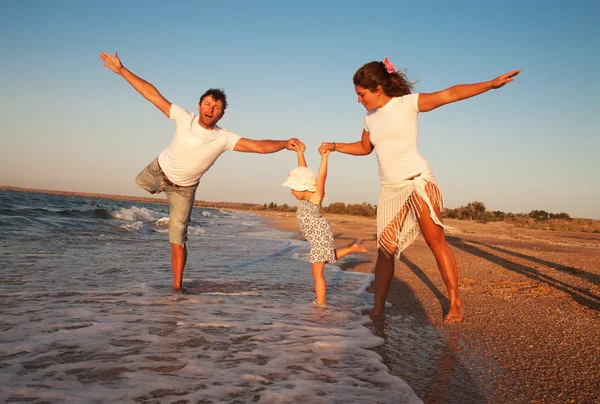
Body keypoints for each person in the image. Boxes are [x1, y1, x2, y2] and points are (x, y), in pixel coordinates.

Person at [320, 57, 520, 322]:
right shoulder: (369, 118)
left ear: (377, 89)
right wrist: (335, 146)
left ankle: (455, 302)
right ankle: (378, 308)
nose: (359, 100)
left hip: (418, 182)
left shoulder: (407, 104)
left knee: (434, 240)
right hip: (390, 189)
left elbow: (449, 94)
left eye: (361, 94)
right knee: (385, 250)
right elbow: (364, 148)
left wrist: (490, 84)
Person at [100, 51, 305, 292]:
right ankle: (158, 188)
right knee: (139, 181)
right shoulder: (184, 118)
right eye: (207, 104)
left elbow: (258, 146)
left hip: (184, 191)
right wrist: (122, 70)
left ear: (221, 114)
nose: (211, 109)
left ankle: (177, 287)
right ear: (199, 106)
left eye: (217, 107)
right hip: (158, 170)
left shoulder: (223, 138)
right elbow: (152, 95)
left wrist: (283, 143)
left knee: (177, 240)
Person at [282, 143, 367, 305]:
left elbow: (321, 178)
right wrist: (299, 153)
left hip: (319, 235)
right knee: (324, 258)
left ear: (304, 187)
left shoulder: (315, 198)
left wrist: (324, 158)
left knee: (317, 271)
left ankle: (321, 304)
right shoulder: (307, 197)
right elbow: (303, 172)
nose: (291, 191)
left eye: (293, 188)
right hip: (318, 236)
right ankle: (352, 248)